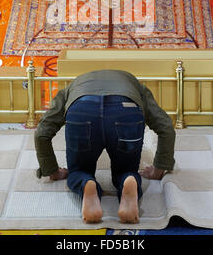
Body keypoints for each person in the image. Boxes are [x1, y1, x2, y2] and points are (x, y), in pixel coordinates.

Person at [34, 69, 175, 224]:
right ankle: (128, 179)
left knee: (79, 171)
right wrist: (159, 167)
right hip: (126, 111)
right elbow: (166, 127)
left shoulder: (72, 86)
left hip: (82, 110)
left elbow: (41, 133)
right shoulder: (135, 84)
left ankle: (86, 183)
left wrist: (51, 170)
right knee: (126, 170)